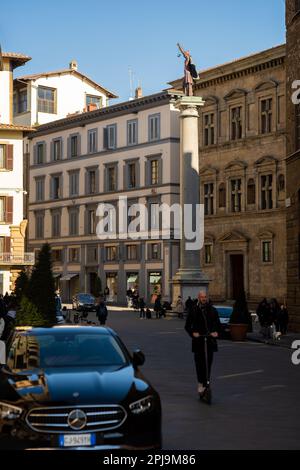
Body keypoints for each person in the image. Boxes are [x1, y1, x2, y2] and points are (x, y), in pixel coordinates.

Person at [185, 291, 221, 400]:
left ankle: (206, 384)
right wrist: (193, 333)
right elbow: (187, 326)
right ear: (199, 298)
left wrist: (216, 332)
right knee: (200, 364)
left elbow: (217, 324)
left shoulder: (213, 310)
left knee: (208, 364)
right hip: (198, 341)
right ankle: (200, 383)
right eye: (202, 297)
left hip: (209, 341)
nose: (204, 299)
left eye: (205, 297)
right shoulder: (194, 310)